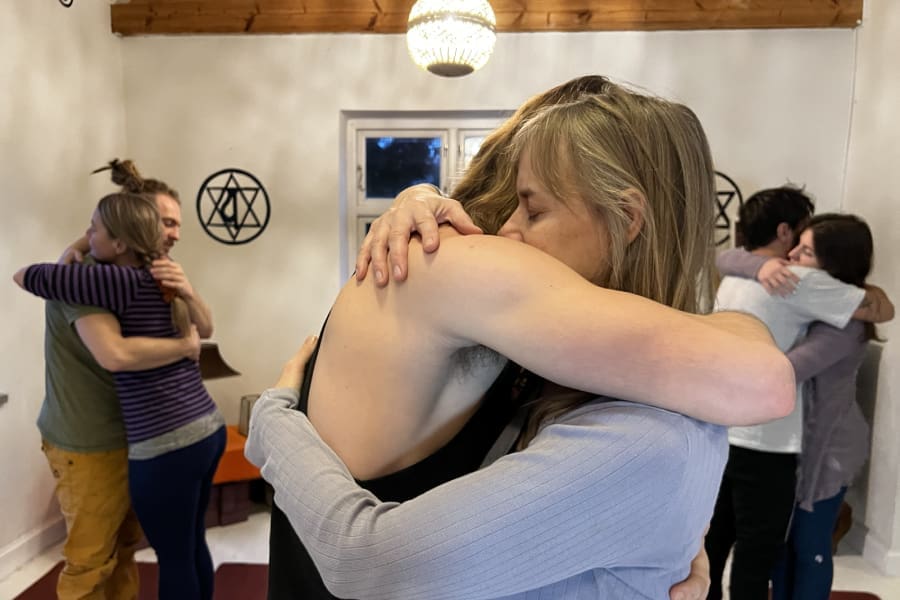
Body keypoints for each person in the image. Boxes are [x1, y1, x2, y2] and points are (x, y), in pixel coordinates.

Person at [247, 79, 797, 599]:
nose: (505, 234)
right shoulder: (495, 295)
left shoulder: (638, 406)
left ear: (627, 217)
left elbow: (764, 383)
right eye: (510, 204)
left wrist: (272, 422)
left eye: (534, 208)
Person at [14, 192, 226, 600]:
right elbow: (200, 330)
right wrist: (184, 344)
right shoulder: (161, 277)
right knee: (190, 544)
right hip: (205, 428)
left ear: (120, 241)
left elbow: (25, 276)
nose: (174, 234)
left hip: (165, 443)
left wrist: (74, 248)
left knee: (174, 557)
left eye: (96, 228)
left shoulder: (110, 280)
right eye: (166, 223)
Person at [705, 189, 893, 600]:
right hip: (768, 439)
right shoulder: (799, 281)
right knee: (761, 549)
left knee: (728, 542)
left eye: (806, 252)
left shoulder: (736, 275)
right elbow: (883, 308)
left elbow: (881, 308)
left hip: (768, 435)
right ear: (784, 230)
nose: (793, 258)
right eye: (798, 244)